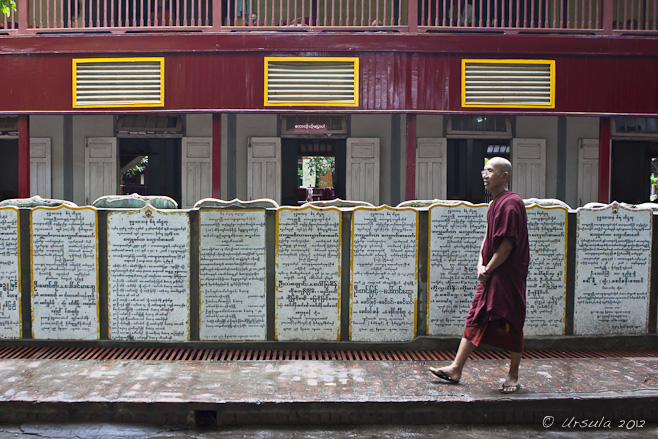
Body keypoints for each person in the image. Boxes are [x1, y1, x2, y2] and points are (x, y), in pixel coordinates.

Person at [429, 156, 529, 394]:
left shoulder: (511, 204)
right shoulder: (494, 203)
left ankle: (513, 375)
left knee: (511, 320)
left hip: (506, 275)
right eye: (484, 170)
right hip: (491, 273)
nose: (485, 175)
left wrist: (489, 268)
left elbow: (507, 244)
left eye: (490, 171)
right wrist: (480, 266)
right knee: (476, 317)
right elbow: (487, 237)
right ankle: (456, 368)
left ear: (504, 176)